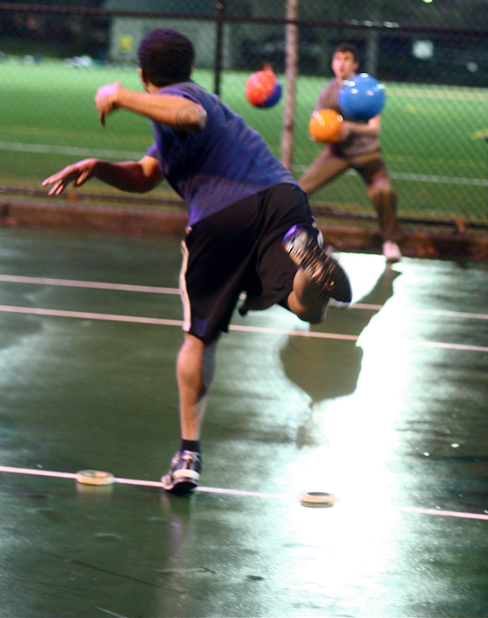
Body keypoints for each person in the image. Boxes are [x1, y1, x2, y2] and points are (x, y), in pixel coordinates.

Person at [42, 28, 352, 495]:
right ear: (189, 65)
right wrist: (101, 168)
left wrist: (119, 95)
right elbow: (147, 175)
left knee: (198, 337)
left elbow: (186, 113)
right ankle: (309, 270)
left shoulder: (182, 99)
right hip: (283, 201)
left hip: (222, 216)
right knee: (311, 309)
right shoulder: (185, 109)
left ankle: (188, 454)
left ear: (145, 75)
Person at [299, 43, 402, 262]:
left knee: (383, 192)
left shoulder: (367, 88)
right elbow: (316, 125)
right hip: (337, 154)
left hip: (367, 154)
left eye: (346, 59)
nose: (341, 64)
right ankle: (300, 237)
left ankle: (390, 241)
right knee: (298, 191)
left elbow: (374, 129)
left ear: (354, 64)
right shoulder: (327, 93)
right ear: (332, 63)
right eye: (337, 59)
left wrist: (348, 127)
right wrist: (320, 133)